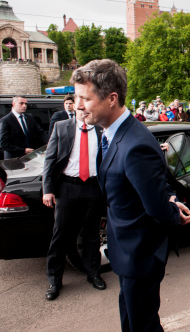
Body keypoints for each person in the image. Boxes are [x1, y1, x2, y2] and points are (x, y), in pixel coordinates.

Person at [72, 59, 190, 332]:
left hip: (140, 255)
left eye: (85, 98)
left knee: (142, 325)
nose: (78, 106)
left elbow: (156, 206)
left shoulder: (135, 143)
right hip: (125, 251)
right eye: (76, 97)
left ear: (112, 98)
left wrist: (172, 210)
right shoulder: (111, 133)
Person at [42, 109, 106, 301]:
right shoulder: (62, 127)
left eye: (88, 107)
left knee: (92, 234)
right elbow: (49, 159)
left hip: (93, 187)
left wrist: (157, 146)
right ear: (75, 109)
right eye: (80, 107)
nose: (85, 111)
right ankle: (55, 280)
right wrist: (47, 189)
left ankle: (93, 274)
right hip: (67, 187)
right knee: (60, 234)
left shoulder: (102, 129)